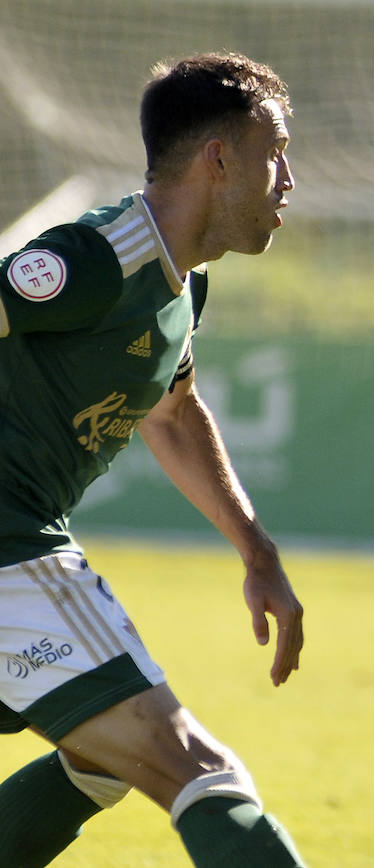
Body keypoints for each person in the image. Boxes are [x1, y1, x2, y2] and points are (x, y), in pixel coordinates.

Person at [0, 52, 307, 867]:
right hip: (6, 548)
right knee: (198, 768)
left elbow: (173, 412)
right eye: (275, 151)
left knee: (100, 760)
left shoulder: (181, 286)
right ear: (218, 159)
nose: (289, 179)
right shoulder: (101, 257)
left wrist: (256, 550)